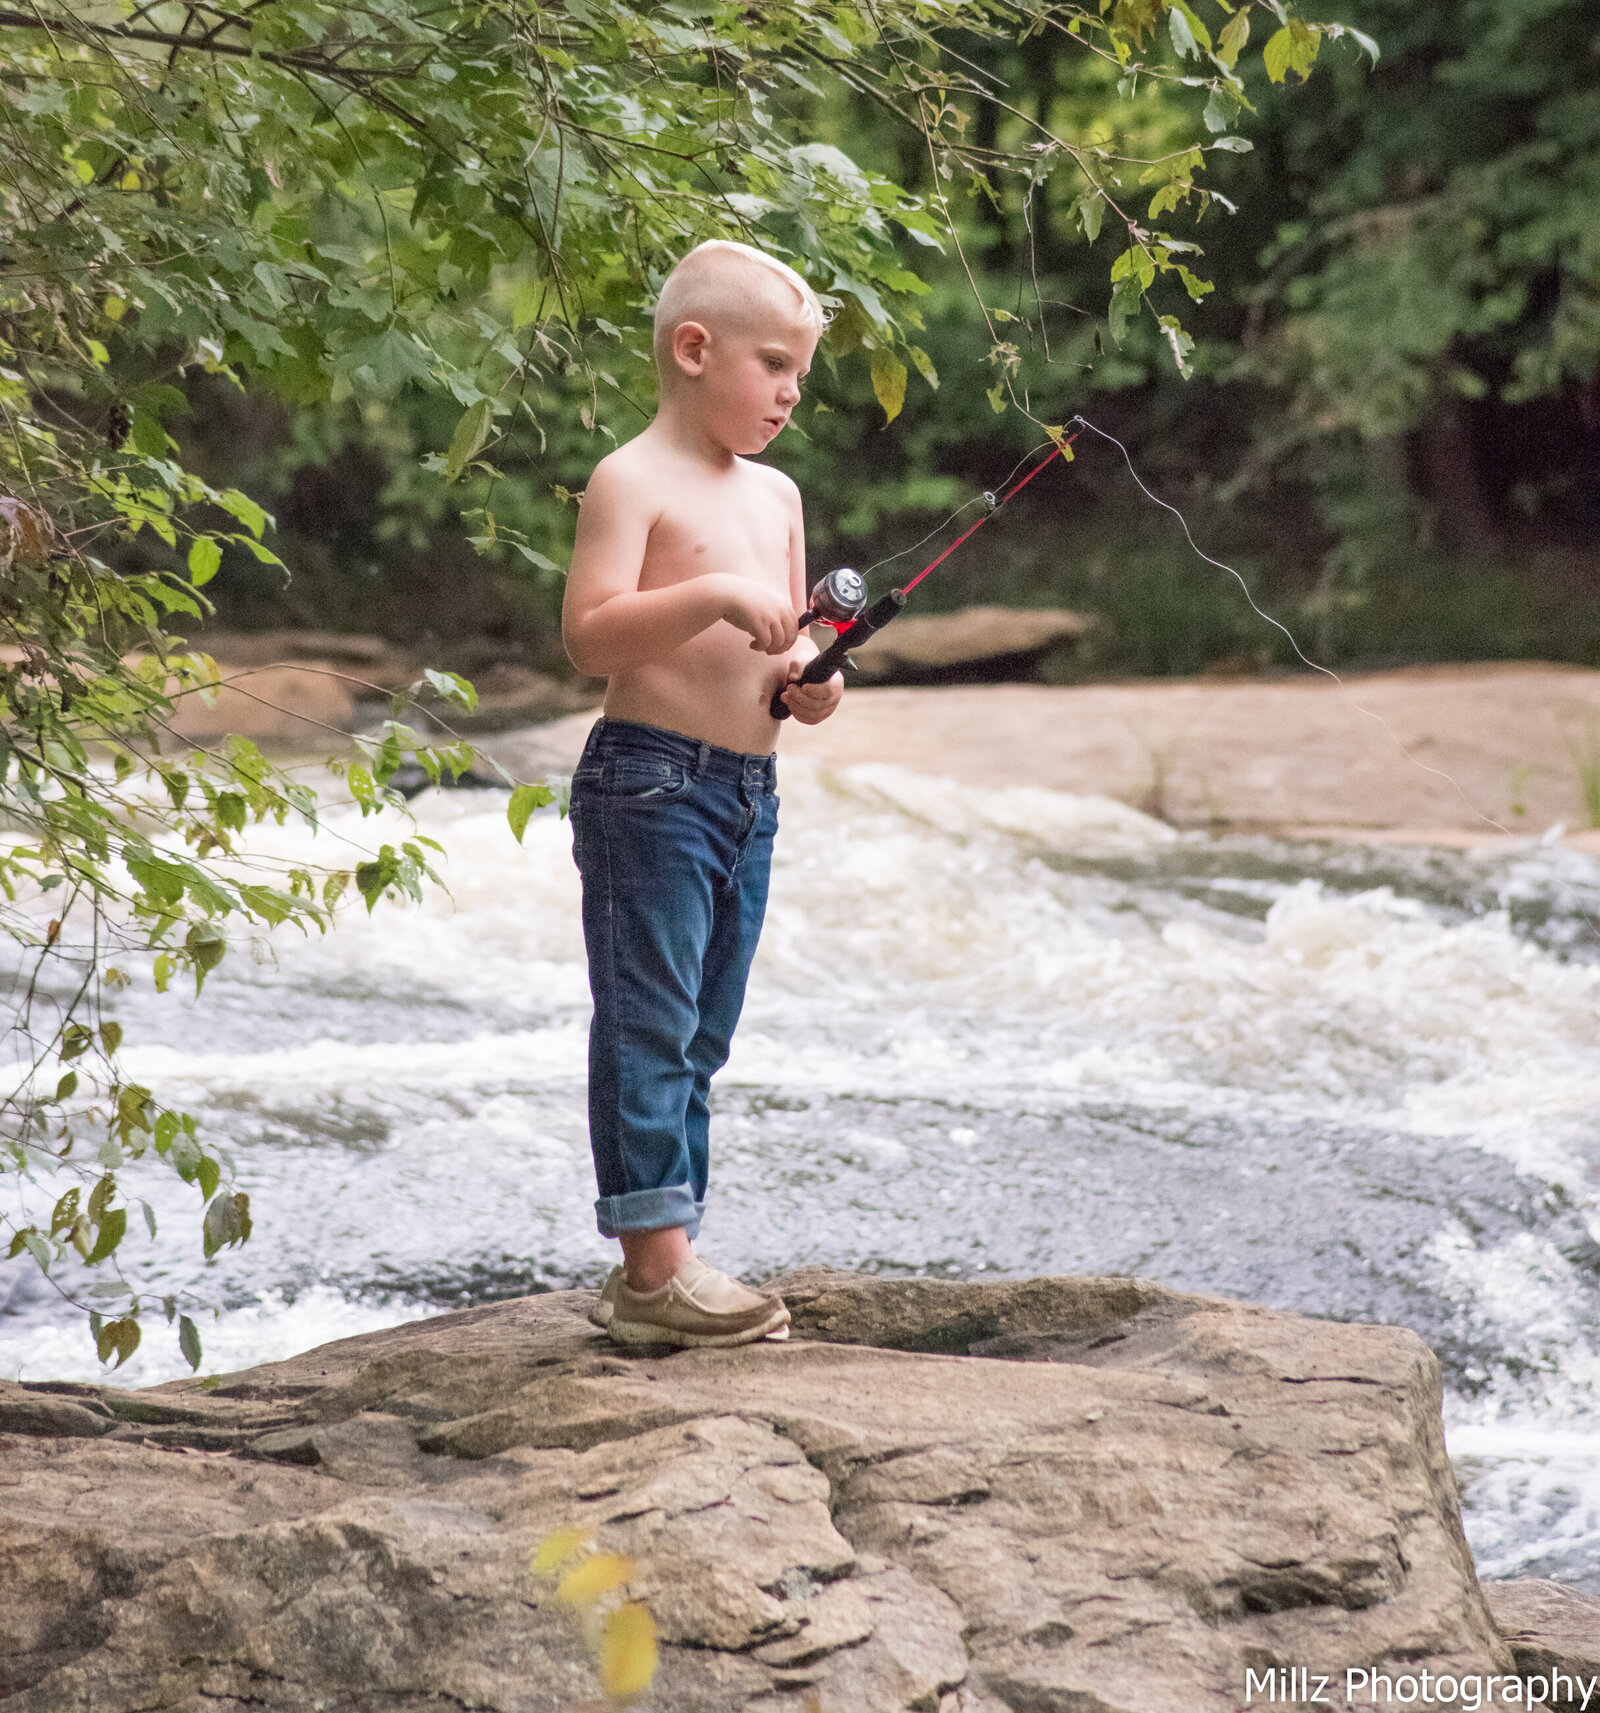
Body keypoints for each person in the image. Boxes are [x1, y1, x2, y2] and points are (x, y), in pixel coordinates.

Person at [561, 239, 844, 1348]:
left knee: (705, 1027)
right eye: (773, 365)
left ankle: (670, 1252)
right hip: (648, 785)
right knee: (652, 1020)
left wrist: (812, 683)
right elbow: (589, 636)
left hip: (746, 790)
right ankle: (652, 1273)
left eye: (801, 378)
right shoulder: (630, 479)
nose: (788, 394)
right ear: (693, 348)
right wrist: (715, 592)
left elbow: (794, 639)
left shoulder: (777, 494)